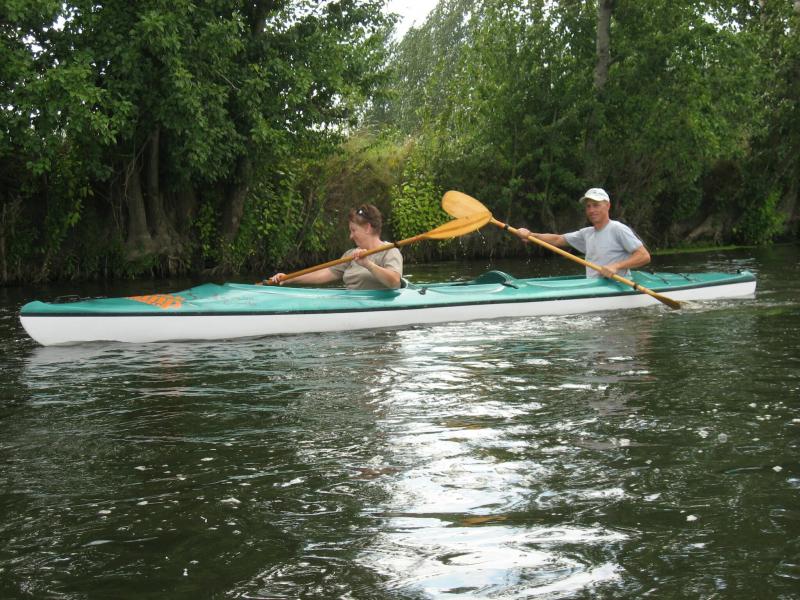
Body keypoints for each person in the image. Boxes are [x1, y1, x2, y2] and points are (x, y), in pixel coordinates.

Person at [516, 188, 650, 279]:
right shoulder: (587, 233)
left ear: (608, 206)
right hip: (593, 285)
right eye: (588, 206)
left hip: (618, 285)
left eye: (596, 205)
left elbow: (644, 256)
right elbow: (558, 239)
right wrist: (531, 235)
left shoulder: (618, 229)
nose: (591, 210)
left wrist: (616, 266)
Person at [267, 204, 403, 290]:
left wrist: (368, 264)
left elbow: (395, 282)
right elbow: (324, 274)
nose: (350, 236)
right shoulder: (351, 254)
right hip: (351, 305)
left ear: (367, 228)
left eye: (353, 230)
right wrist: (289, 278)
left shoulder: (390, 251)